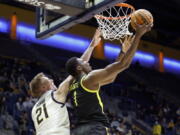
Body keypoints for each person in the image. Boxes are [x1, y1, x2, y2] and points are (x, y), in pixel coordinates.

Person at [66, 23, 153, 135]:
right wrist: (138, 35)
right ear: (78, 68)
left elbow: (111, 78)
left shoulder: (75, 84)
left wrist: (122, 52)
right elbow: (124, 65)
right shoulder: (89, 79)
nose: (87, 62)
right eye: (84, 62)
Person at [30, 29, 102, 135]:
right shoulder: (55, 95)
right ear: (43, 88)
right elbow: (78, 68)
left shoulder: (34, 110)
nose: (51, 80)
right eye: (48, 80)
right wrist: (91, 46)